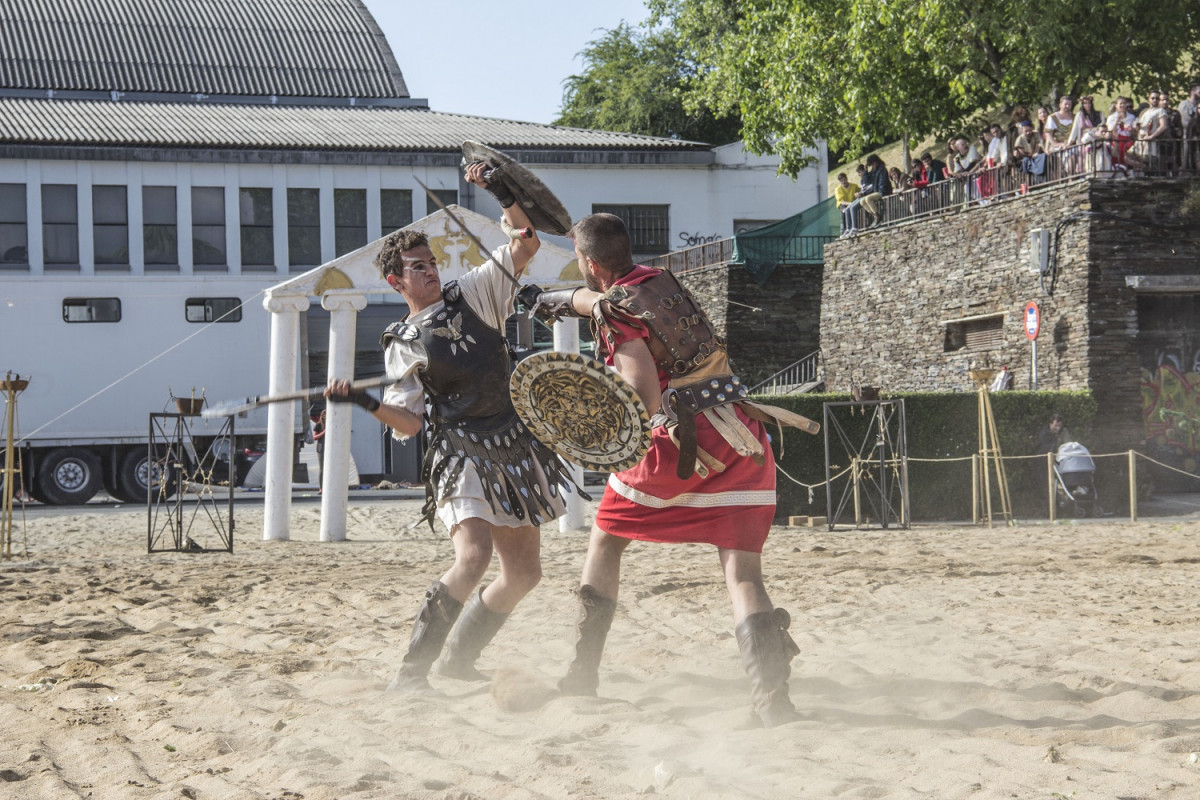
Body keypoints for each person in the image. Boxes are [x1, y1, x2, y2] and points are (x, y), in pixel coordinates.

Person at [529, 213, 807, 728]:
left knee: (607, 540)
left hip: (680, 442)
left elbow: (638, 386)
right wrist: (562, 300)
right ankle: (774, 701)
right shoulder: (659, 280)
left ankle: (582, 674)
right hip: (739, 435)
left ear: (590, 264)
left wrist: (643, 417)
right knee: (742, 572)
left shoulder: (614, 311)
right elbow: (607, 302)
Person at [325, 161, 581, 694]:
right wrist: (365, 401)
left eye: (431, 262)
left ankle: (459, 659)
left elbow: (526, 241)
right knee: (473, 556)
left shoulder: (475, 293)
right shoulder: (403, 341)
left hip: (513, 446)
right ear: (395, 282)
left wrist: (498, 188)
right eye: (417, 267)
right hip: (461, 453)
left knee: (526, 573)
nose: (429, 271)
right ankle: (411, 674)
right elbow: (410, 423)